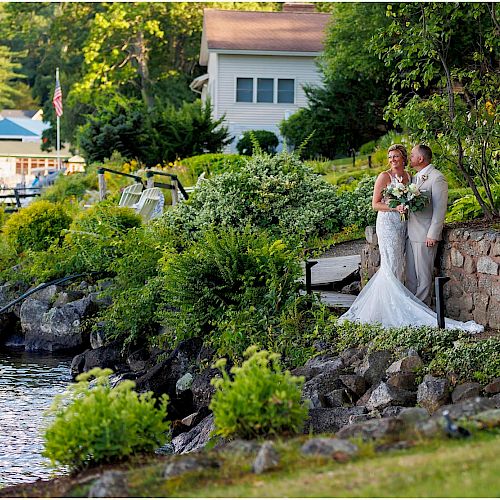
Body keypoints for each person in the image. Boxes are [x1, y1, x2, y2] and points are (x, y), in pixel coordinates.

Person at [338, 144, 483, 333]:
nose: (392, 160)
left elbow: (437, 209)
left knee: (406, 270)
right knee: (392, 267)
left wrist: (431, 232)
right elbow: (375, 204)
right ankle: (388, 309)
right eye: (390, 157)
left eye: (396, 156)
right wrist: (394, 207)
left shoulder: (412, 177)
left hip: (406, 227)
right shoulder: (384, 176)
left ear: (405, 158)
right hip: (389, 225)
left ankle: (412, 309)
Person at [406, 145, 447, 305]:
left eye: (412, 155)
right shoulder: (415, 178)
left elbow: (440, 209)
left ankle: (423, 312)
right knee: (411, 277)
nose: (410, 158)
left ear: (420, 159)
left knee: (424, 278)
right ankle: (412, 309)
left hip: (425, 235)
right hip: (411, 233)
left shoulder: (437, 178)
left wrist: (433, 234)